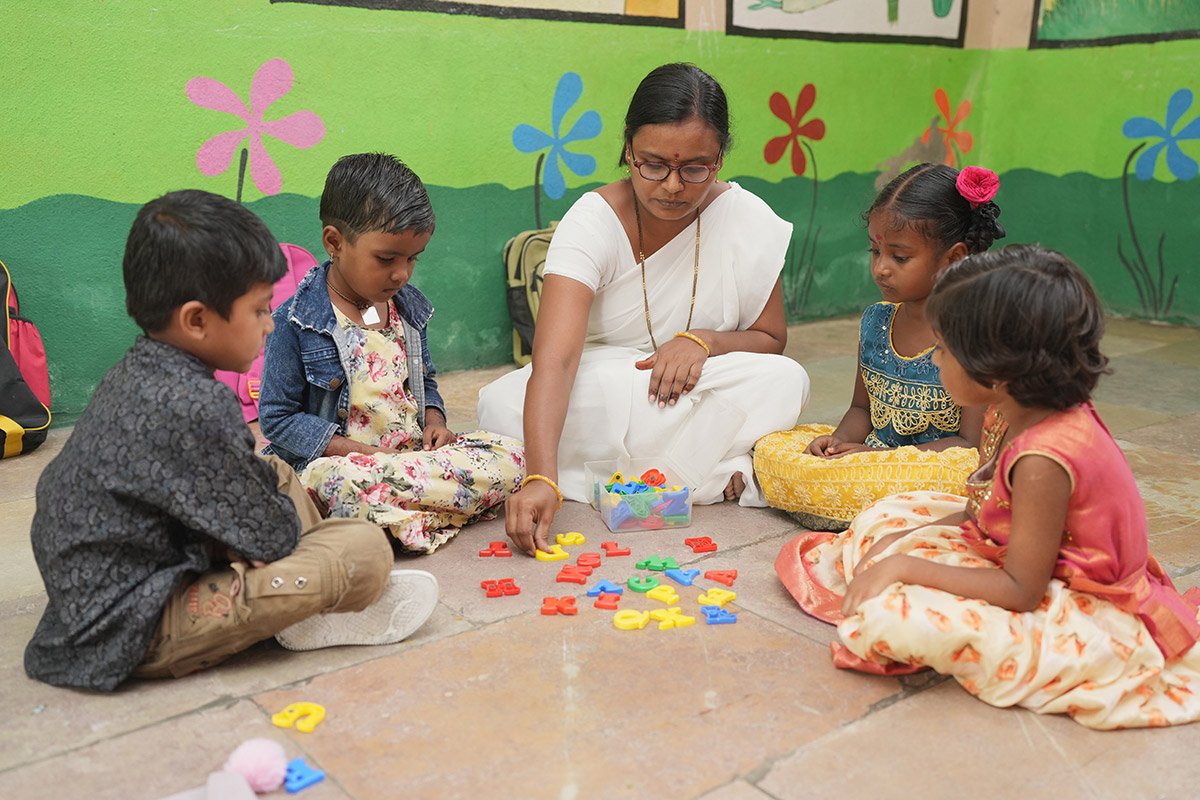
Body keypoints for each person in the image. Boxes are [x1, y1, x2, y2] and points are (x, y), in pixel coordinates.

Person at [24, 190, 439, 692]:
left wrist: (252, 531)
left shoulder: (141, 369)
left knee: (275, 471)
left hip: (123, 578)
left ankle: (310, 597)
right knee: (364, 552)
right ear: (197, 320)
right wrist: (263, 542)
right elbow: (272, 538)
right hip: (124, 629)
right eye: (260, 310)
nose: (269, 324)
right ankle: (314, 612)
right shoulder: (198, 405)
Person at [775, 245, 1200, 729]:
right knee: (889, 514)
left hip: (1077, 597)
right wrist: (906, 540)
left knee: (894, 618)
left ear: (994, 365)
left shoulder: (1044, 459)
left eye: (943, 349)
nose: (935, 361)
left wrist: (905, 565)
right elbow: (981, 510)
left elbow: (1021, 590)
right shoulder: (1011, 408)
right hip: (1012, 550)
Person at [477, 62, 810, 556]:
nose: (672, 186)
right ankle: (710, 471)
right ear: (628, 150)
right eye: (653, 165)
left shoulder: (745, 217)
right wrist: (541, 477)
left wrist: (703, 342)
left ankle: (639, 471)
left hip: (699, 382)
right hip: (607, 385)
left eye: (694, 168)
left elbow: (771, 340)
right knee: (502, 405)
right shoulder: (592, 221)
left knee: (786, 380)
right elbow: (557, 360)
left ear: (719, 159)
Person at [259, 153, 524, 554]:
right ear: (334, 242)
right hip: (347, 466)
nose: (402, 273)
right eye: (386, 259)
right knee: (334, 483)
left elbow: (425, 381)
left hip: (411, 459)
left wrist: (435, 421)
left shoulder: (408, 309)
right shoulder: (296, 321)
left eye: (413, 258)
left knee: (514, 456)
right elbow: (278, 420)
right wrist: (363, 454)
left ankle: (395, 520)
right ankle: (421, 510)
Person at [754, 163, 1006, 531]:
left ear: (953, 258)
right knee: (772, 450)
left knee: (965, 474)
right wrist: (838, 444)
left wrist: (881, 457)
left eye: (899, 257)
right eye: (875, 251)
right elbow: (862, 409)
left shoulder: (973, 333)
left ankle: (865, 506)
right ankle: (859, 500)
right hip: (872, 464)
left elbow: (969, 445)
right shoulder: (876, 321)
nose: (881, 268)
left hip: (935, 470)